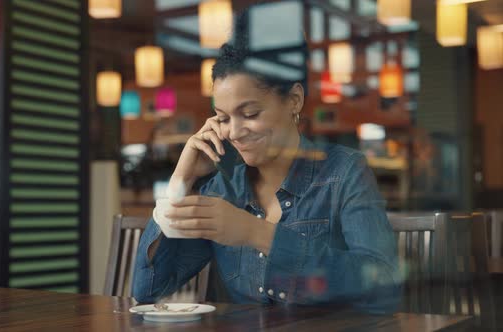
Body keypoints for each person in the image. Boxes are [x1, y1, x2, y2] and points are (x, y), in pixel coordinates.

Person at [132, 32, 401, 314]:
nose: (233, 132)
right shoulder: (224, 190)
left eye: (249, 114)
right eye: (223, 118)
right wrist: (181, 182)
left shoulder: (344, 172)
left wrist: (255, 232)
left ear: (294, 100)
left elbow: (382, 285)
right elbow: (147, 291)